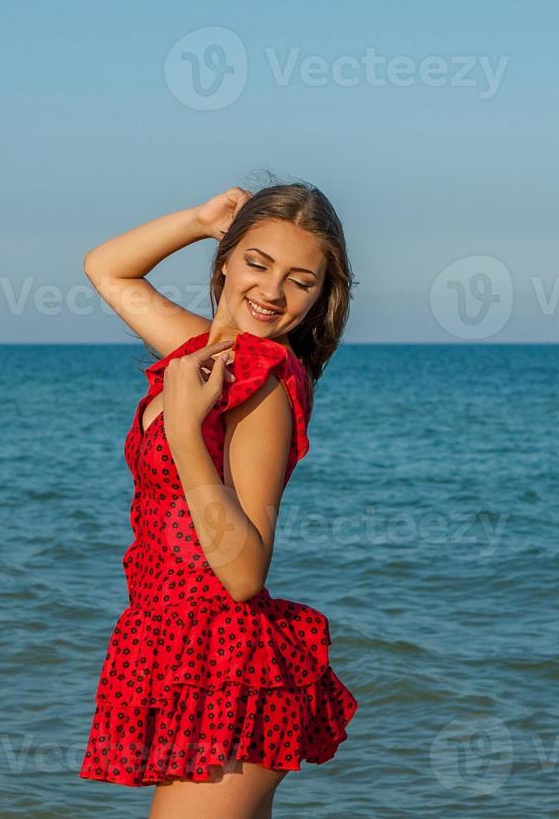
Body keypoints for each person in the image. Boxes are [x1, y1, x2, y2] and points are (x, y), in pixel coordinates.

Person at [79, 181, 360, 818]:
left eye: (300, 280)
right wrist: (203, 218)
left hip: (231, 665)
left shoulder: (264, 382)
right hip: (175, 650)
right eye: (257, 264)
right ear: (225, 260)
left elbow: (242, 572)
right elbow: (105, 267)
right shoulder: (201, 349)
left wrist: (183, 432)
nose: (271, 292)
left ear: (321, 296)